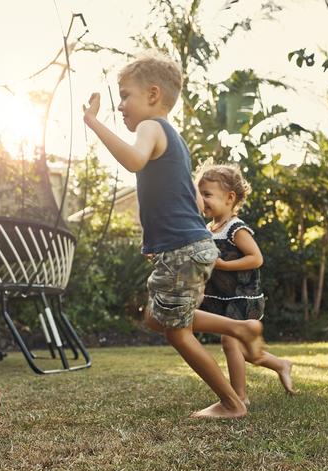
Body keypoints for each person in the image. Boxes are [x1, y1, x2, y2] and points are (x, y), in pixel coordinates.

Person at [83, 51, 265, 419]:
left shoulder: (151, 127)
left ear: (152, 94)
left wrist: (93, 123)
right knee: (157, 317)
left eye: (125, 95)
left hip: (184, 248)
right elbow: (189, 199)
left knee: (176, 332)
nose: (120, 106)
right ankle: (240, 327)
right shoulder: (174, 139)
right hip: (186, 246)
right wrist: (156, 240)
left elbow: (134, 161)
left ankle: (231, 404)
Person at [197, 163, 295, 405]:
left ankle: (240, 397)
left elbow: (256, 258)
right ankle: (281, 364)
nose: (202, 200)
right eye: (200, 195)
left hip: (242, 296)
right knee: (244, 350)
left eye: (207, 194)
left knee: (230, 341)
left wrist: (223, 265)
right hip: (221, 297)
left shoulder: (235, 228)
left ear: (230, 198)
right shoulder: (209, 229)